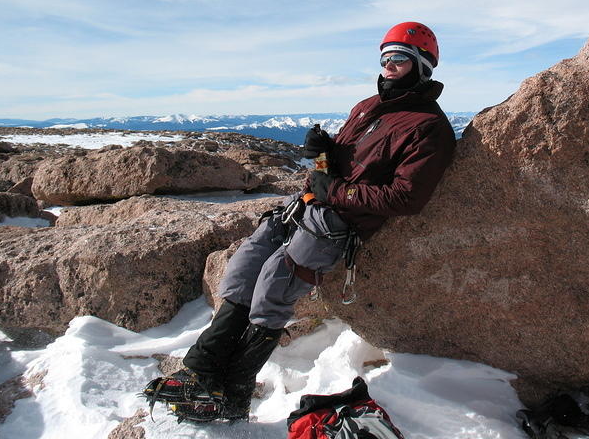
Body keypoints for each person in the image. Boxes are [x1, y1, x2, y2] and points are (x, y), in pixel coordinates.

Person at [143, 21, 456, 421]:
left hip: (338, 223)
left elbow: (406, 197)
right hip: (305, 205)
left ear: (423, 65)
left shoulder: (428, 127)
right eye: (385, 58)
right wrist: (323, 154)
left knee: (273, 285)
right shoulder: (367, 107)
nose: (389, 65)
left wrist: (334, 192)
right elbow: (330, 170)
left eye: (400, 59)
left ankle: (234, 391)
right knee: (243, 270)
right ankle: (202, 371)